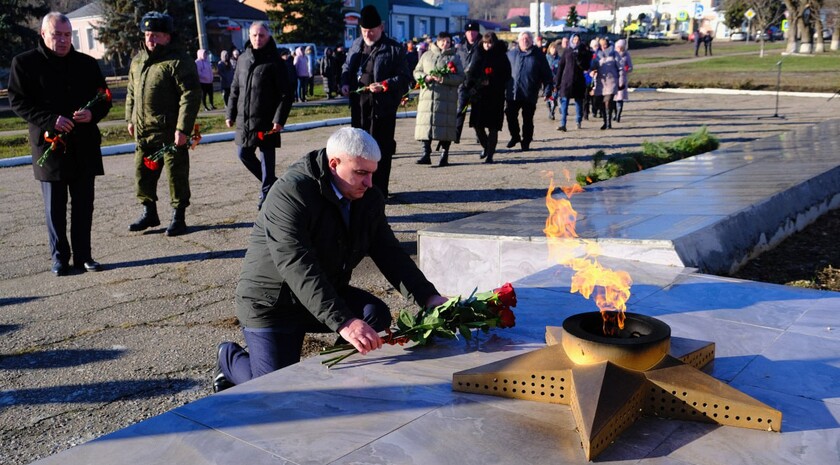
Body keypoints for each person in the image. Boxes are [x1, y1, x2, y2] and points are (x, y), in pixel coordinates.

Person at [214, 127, 448, 391]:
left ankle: (328, 378)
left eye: (372, 172)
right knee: (274, 390)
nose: (370, 182)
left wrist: (428, 297)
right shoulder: (291, 193)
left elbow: (389, 252)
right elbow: (297, 264)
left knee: (373, 315)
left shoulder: (367, 197)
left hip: (321, 294)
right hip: (272, 304)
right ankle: (229, 358)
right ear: (334, 164)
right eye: (361, 173)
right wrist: (344, 322)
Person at [8, 12, 112, 276]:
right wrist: (50, 120)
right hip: (51, 148)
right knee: (55, 208)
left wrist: (93, 114)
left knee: (83, 205)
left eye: (67, 35)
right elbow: (18, 102)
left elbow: (104, 98)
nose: (63, 40)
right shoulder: (24, 63)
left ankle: (84, 256)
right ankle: (59, 258)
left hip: (84, 146)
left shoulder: (87, 63)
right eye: (57, 35)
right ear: (43, 34)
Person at [126, 11, 201, 236]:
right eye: (148, 34)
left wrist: (183, 129)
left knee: (176, 175)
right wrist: (130, 118)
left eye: (156, 35)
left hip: (170, 133)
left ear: (167, 36)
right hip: (144, 131)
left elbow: (191, 95)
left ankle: (179, 217)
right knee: (142, 174)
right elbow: (131, 91)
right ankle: (149, 213)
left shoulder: (178, 61)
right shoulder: (137, 61)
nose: (151, 39)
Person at [340, 5, 411, 198]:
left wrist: (385, 85)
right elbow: (346, 67)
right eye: (364, 31)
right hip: (360, 107)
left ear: (381, 27)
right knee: (359, 150)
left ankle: (380, 191)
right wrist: (345, 83)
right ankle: (361, 190)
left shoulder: (394, 48)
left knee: (381, 150)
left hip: (383, 109)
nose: (368, 34)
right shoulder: (356, 45)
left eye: (371, 31)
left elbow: (405, 79)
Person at [226, 21, 294, 211]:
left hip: (267, 121)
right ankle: (272, 184)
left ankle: (266, 194)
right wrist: (230, 113)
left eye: (261, 35)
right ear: (249, 36)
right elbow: (234, 89)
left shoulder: (275, 62)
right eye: (254, 35)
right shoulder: (242, 59)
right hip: (244, 119)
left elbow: (285, 94)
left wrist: (279, 120)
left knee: (267, 160)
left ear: (268, 36)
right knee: (243, 153)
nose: (257, 39)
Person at [413, 31, 465, 167]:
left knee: (446, 127)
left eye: (448, 42)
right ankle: (425, 153)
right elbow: (416, 71)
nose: (445, 44)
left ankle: (444, 155)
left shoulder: (454, 58)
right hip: (428, 96)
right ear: (437, 41)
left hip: (446, 98)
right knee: (426, 125)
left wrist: (444, 79)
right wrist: (425, 77)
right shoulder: (426, 55)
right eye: (443, 41)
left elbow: (460, 77)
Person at [505, 31, 552, 151]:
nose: (525, 41)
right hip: (513, 92)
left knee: (527, 119)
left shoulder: (538, 55)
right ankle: (515, 136)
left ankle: (526, 141)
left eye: (527, 39)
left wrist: (547, 91)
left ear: (532, 41)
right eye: (523, 39)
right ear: (518, 41)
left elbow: (547, 75)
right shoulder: (510, 54)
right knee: (510, 115)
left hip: (529, 93)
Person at [469, 32, 511, 164]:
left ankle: (490, 155)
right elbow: (471, 72)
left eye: (490, 43)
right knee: (477, 125)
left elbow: (506, 75)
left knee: (493, 127)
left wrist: (492, 81)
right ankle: (486, 146)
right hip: (479, 95)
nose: (487, 46)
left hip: (495, 95)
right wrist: (475, 83)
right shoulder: (478, 53)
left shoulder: (501, 55)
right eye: (485, 43)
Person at [454, 21, 482, 144]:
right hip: (463, 84)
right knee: (460, 110)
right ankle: (456, 135)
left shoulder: (482, 46)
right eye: (468, 31)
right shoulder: (460, 48)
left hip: (478, 85)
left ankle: (479, 135)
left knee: (477, 111)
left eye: (474, 31)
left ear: (478, 32)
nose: (471, 34)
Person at [555, 33, 589, 132]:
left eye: (578, 39)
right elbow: (561, 67)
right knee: (564, 102)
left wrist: (579, 57)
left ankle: (578, 121)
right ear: (571, 40)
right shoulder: (567, 51)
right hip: (567, 81)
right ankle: (563, 124)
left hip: (578, 81)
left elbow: (586, 66)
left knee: (578, 102)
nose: (576, 41)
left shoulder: (583, 51)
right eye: (574, 39)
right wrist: (557, 82)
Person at [590, 37, 623, 130]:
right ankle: (605, 121)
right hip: (600, 82)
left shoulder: (614, 54)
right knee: (599, 103)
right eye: (601, 45)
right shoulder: (596, 55)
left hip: (611, 81)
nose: (603, 47)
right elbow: (592, 66)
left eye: (605, 45)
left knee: (608, 101)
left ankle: (608, 123)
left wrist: (620, 81)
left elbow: (620, 68)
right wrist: (592, 70)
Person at [613, 39, 633, 123]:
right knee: (613, 98)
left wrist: (627, 69)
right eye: (618, 47)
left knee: (620, 98)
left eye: (621, 47)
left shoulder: (627, 55)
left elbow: (631, 67)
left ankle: (618, 114)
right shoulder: (613, 54)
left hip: (622, 79)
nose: (620, 48)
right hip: (613, 79)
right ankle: (614, 113)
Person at [544, 39, 562, 120]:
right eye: (552, 48)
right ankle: (549, 109)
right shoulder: (546, 58)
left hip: (556, 81)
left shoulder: (559, 59)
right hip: (547, 81)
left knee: (554, 98)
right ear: (549, 49)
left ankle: (552, 111)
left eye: (555, 48)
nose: (553, 50)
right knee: (548, 97)